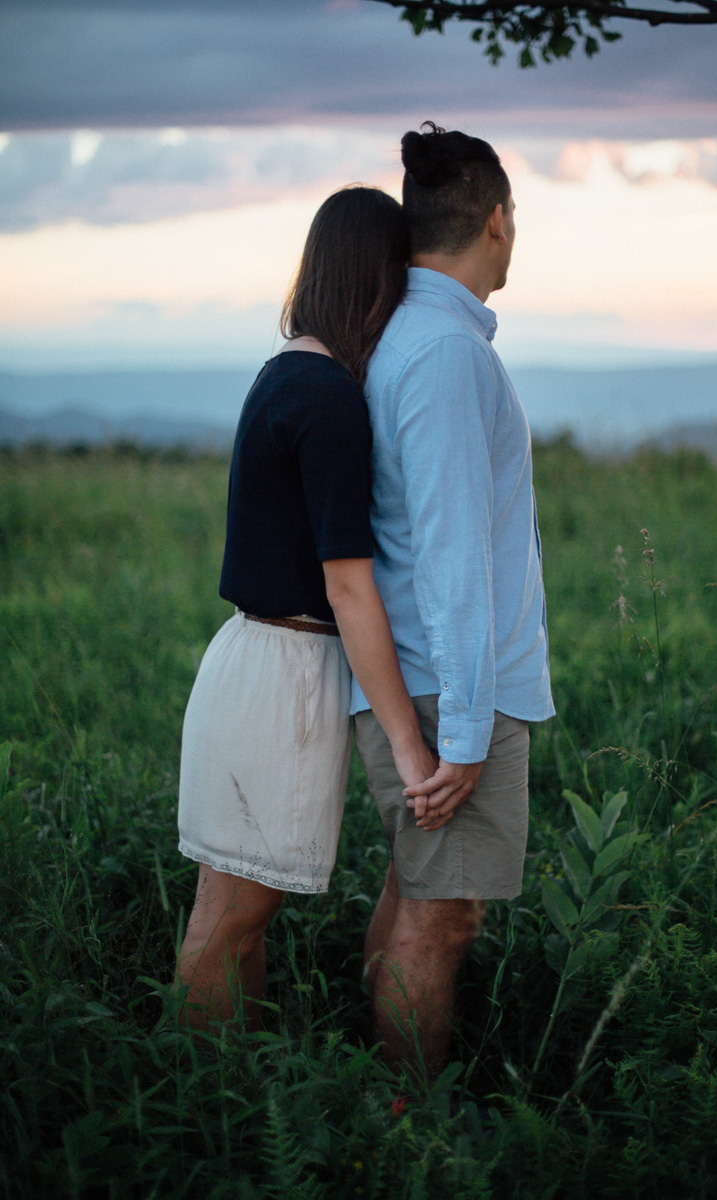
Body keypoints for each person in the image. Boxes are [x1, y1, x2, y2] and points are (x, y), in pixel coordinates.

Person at [175, 185, 438, 1032]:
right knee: (232, 923)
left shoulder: (288, 368)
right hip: (283, 675)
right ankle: (188, 1118)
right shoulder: (328, 396)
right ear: (379, 278)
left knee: (236, 918)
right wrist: (407, 739)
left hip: (251, 659)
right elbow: (348, 581)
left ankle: (225, 1109)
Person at [353, 124, 555, 1077]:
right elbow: (452, 555)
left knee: (418, 901)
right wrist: (468, 730)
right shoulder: (441, 351)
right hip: (445, 691)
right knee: (442, 920)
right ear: (496, 220)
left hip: (432, 682)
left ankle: (380, 1115)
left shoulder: (418, 337)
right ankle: (407, 1135)